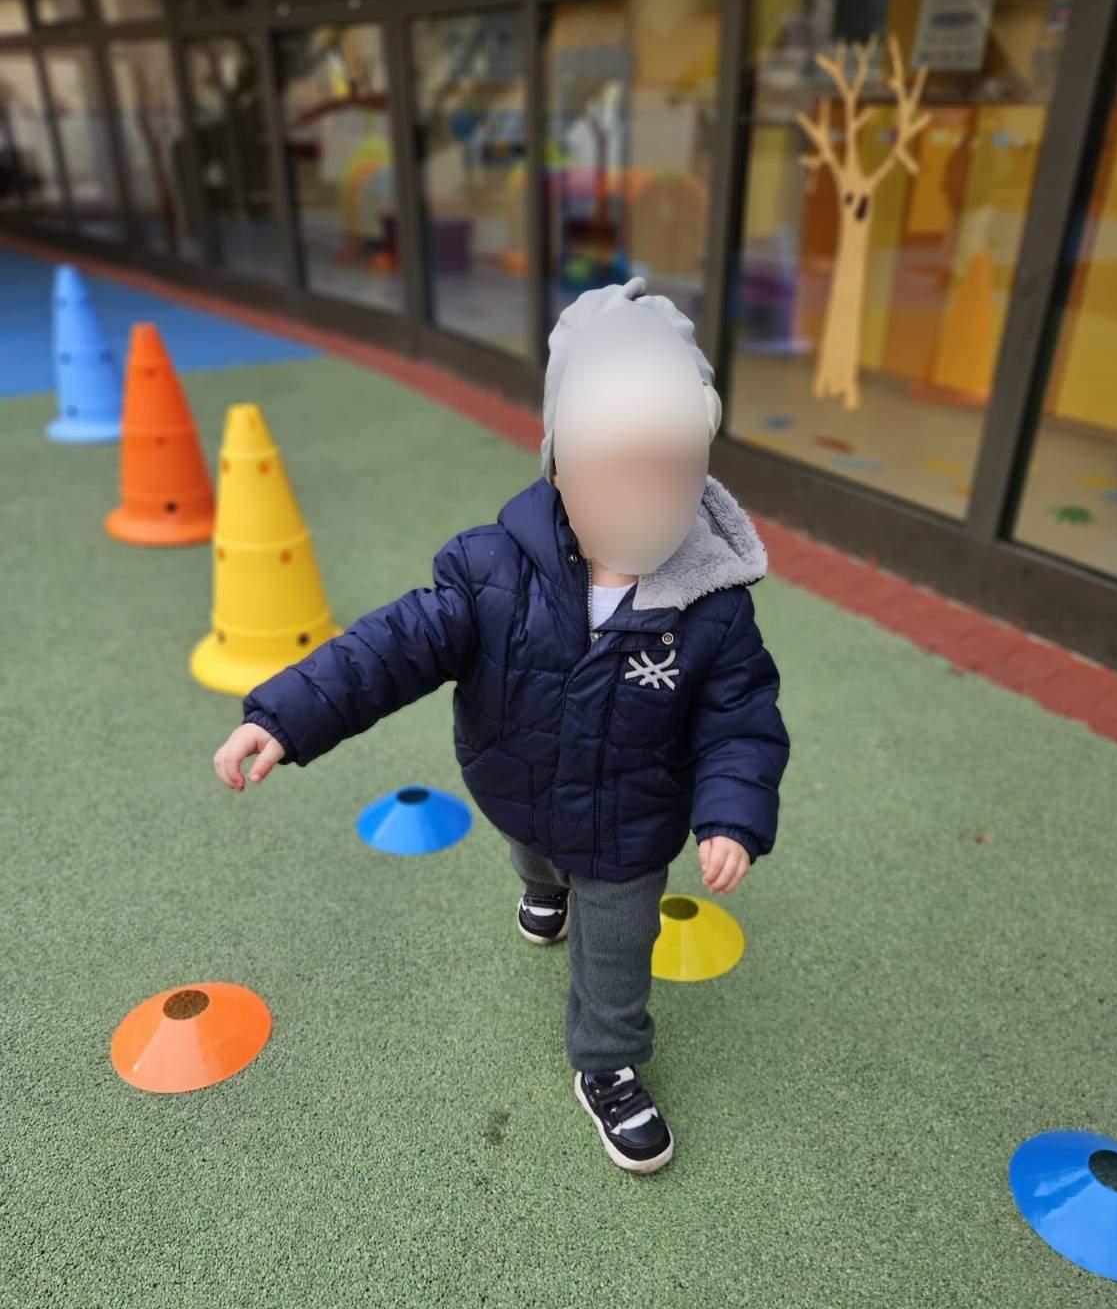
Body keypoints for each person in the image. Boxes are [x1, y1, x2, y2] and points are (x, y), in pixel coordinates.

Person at [212, 276, 790, 1175]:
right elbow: (390, 647)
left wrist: (731, 814)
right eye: (620, 470)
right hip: (519, 785)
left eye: (673, 470)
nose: (648, 496)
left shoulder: (711, 607)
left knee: (617, 946)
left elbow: (741, 721)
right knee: (535, 851)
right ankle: (543, 889)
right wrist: (286, 716)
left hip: (632, 823)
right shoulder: (493, 572)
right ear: (560, 467)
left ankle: (607, 1062)